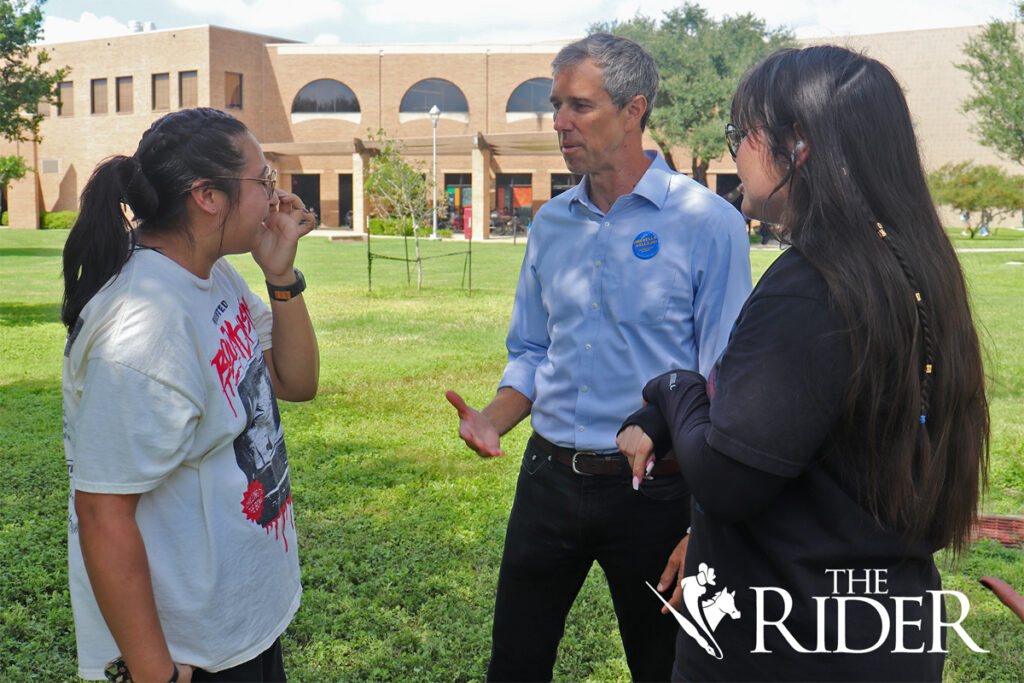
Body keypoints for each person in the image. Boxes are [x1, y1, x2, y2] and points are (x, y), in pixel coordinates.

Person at [617, 46, 989, 681]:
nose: (735, 152)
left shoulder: (815, 283)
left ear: (799, 143)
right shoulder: (911, 263)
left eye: (741, 133)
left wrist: (670, 389)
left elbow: (728, 482)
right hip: (883, 635)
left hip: (784, 643)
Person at [445, 34, 751, 681]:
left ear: (633, 108)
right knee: (514, 665)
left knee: (667, 669)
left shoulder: (708, 223)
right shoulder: (551, 223)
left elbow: (722, 383)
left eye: (578, 105)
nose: (559, 123)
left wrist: (707, 522)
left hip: (657, 491)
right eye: (556, 105)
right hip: (547, 480)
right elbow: (530, 350)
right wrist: (494, 418)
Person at [61, 107, 319, 682]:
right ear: (208, 197)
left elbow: (294, 383)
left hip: (238, 623)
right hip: (190, 654)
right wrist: (159, 675)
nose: (276, 200)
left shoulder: (212, 274)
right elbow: (102, 514)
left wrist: (281, 277)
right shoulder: (144, 325)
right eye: (264, 182)